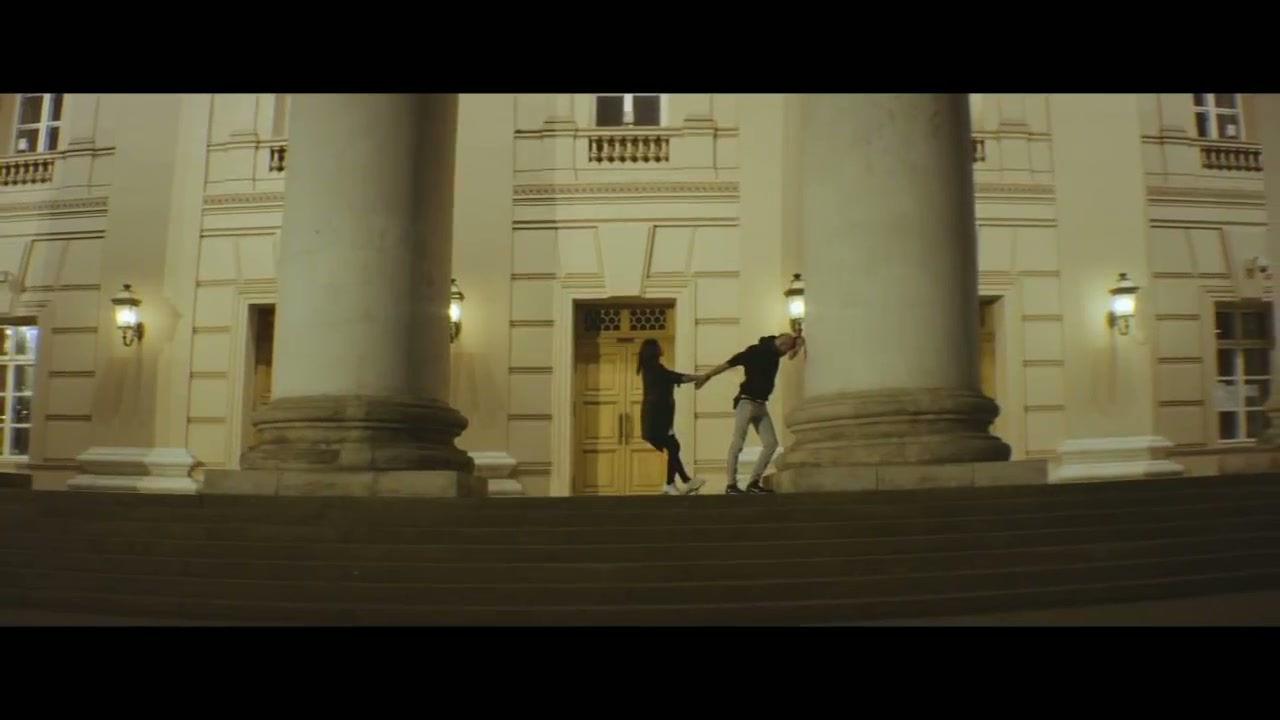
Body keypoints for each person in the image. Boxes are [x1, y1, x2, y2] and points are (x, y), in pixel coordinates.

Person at [695, 332, 805, 494]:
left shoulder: (775, 351)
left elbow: (792, 351)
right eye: (787, 349)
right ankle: (731, 484)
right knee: (738, 442)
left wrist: (798, 343)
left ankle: (754, 482)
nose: (786, 353)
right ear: (782, 345)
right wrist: (707, 375)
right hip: (746, 402)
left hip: (761, 405)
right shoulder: (754, 352)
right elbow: (729, 363)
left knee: (771, 444)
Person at [636, 338, 705, 495]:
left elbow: (673, 377)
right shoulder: (655, 370)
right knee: (673, 447)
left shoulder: (652, 369)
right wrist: (698, 377)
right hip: (656, 419)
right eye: (659, 346)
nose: (662, 347)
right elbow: (677, 377)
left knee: (673, 447)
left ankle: (676, 482)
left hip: (658, 417)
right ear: (654, 351)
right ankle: (679, 482)